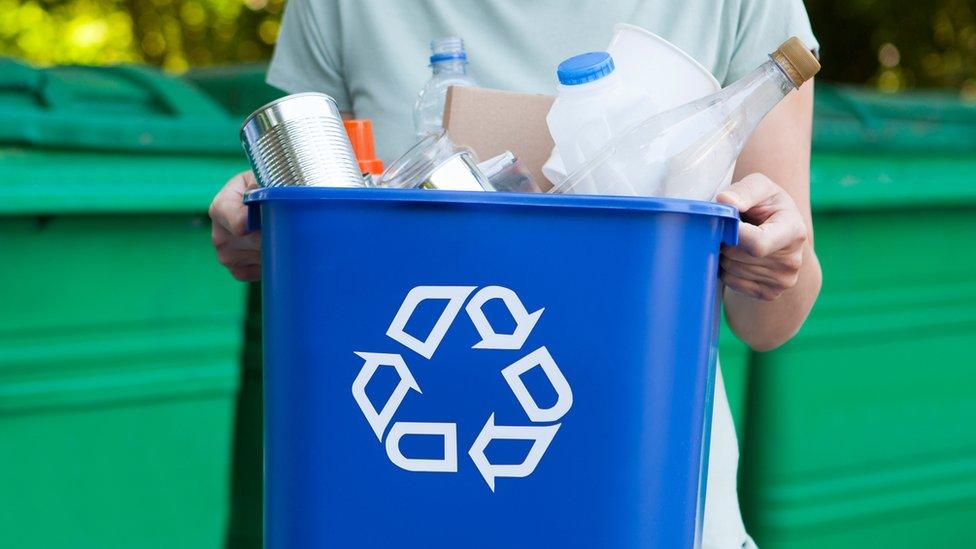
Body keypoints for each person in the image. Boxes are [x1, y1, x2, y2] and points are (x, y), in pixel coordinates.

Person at [209, 1, 822, 547]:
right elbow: (318, 215)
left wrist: (773, 261)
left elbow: (769, 321)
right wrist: (270, 224)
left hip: (636, 505)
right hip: (377, 509)